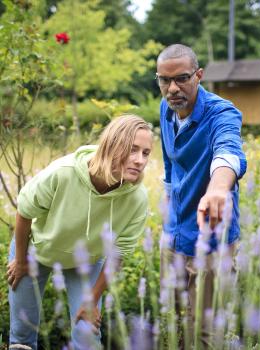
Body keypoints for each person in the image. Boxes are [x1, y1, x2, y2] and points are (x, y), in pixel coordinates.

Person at [7, 114, 153, 350]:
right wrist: (21, 260)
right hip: (35, 250)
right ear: (112, 146)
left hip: (86, 260)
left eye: (145, 153)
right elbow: (24, 211)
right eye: (132, 150)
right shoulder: (63, 172)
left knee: (87, 336)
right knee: (23, 334)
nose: (139, 160)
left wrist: (92, 299)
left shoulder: (137, 198)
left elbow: (118, 253)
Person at [156, 44, 247, 346]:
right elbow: (170, 166)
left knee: (206, 333)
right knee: (173, 322)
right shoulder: (165, 109)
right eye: (163, 80)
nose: (172, 89)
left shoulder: (221, 113)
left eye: (181, 78)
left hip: (212, 239)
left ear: (198, 75)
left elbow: (228, 151)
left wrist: (218, 188)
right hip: (174, 235)